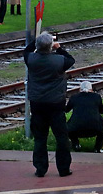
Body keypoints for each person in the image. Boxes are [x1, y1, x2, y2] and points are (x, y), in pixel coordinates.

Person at [23, 31, 76, 177]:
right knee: (61, 137)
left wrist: (38, 40)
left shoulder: (31, 59)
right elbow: (71, 59)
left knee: (40, 137)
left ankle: (40, 168)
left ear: (38, 47)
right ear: (50, 47)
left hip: (37, 103)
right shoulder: (59, 61)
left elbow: (26, 50)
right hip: (56, 103)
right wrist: (58, 47)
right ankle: (64, 168)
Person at [66, 81, 103, 153]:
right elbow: (102, 111)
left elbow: (66, 110)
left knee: (67, 126)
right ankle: (97, 148)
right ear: (91, 89)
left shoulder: (74, 97)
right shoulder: (96, 97)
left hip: (76, 129)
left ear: (80, 89)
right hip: (95, 128)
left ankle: (75, 144)